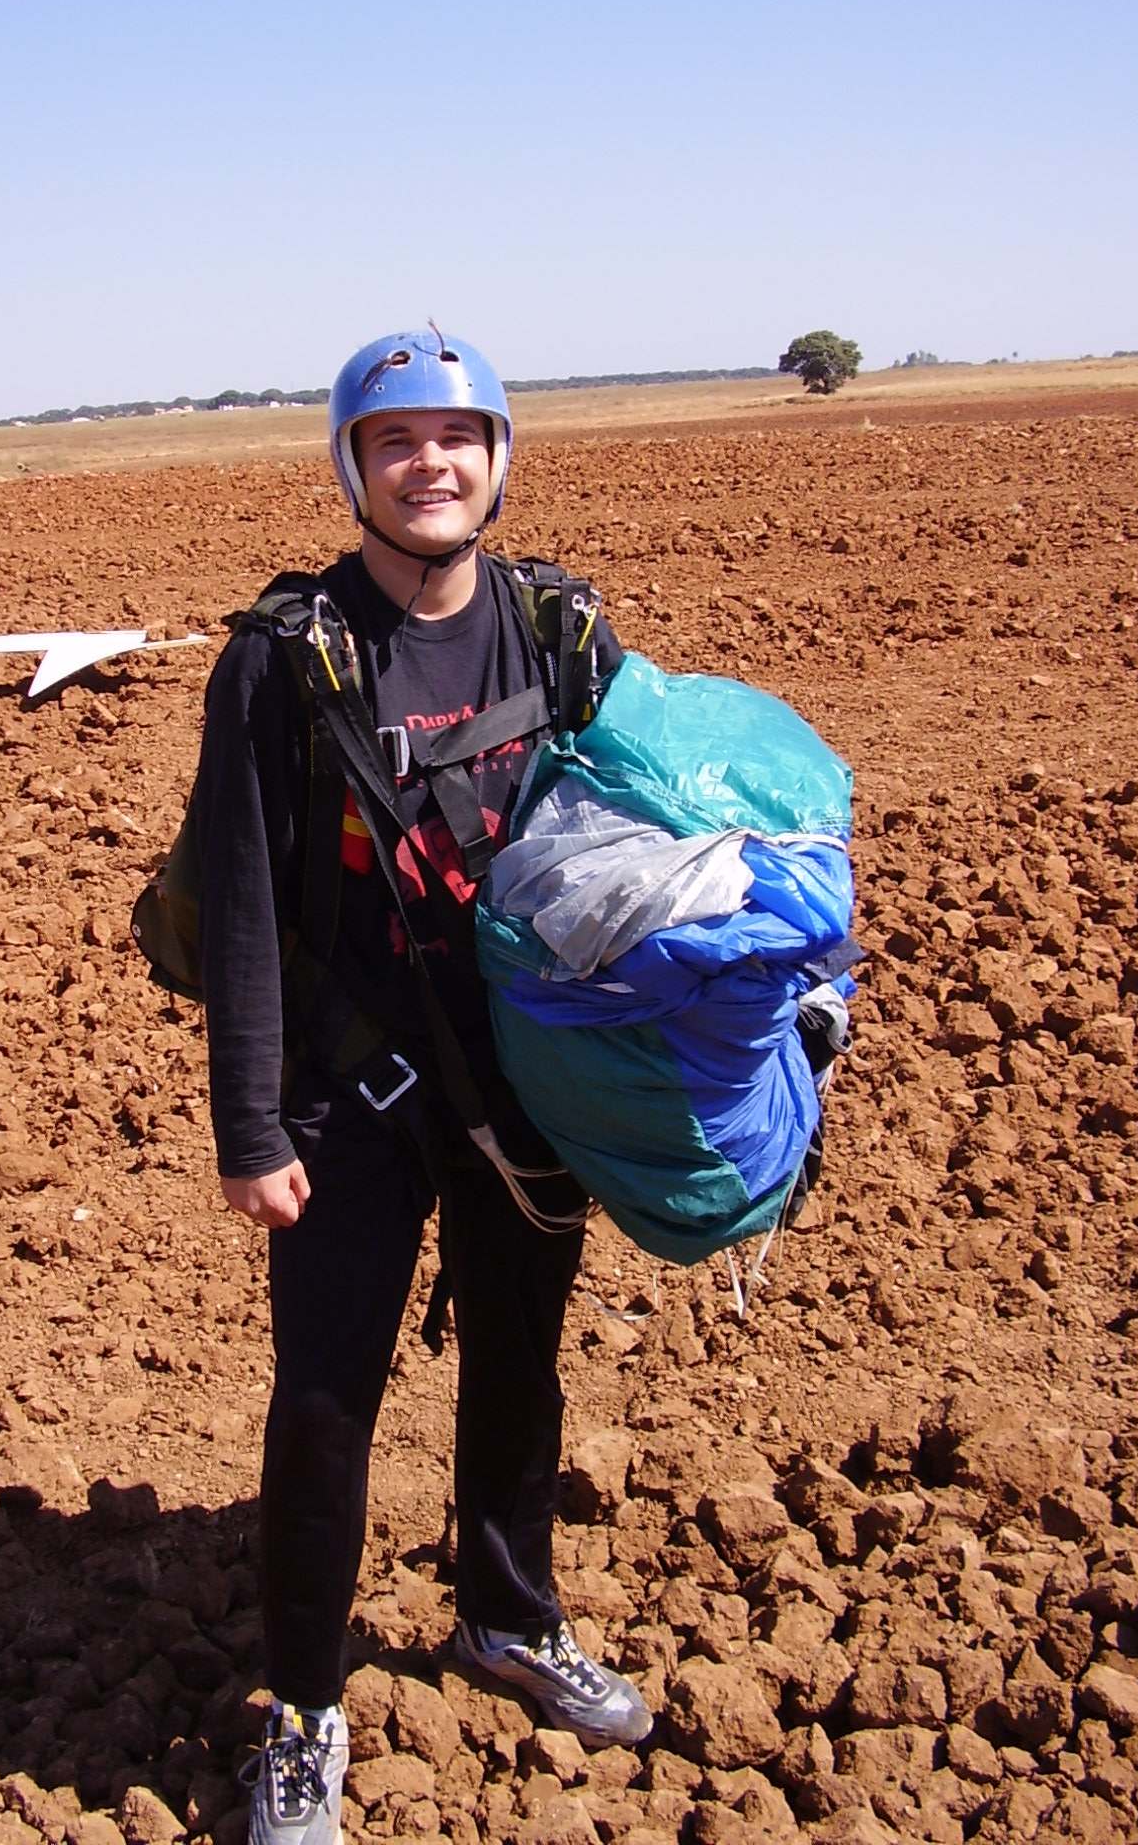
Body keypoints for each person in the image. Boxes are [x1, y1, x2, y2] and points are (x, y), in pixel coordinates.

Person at [189, 329, 651, 1843]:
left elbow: (652, 836)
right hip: (348, 1097)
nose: (431, 464)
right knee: (325, 1403)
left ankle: (506, 1618)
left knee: (521, 1364)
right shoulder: (284, 655)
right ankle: (308, 1715)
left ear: (500, 458)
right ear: (354, 466)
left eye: (460, 436)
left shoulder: (560, 630)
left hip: (529, 1083)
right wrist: (251, 1127)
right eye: (397, 441)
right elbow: (247, 900)